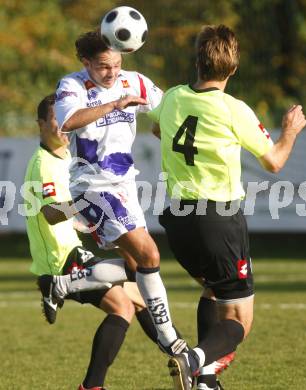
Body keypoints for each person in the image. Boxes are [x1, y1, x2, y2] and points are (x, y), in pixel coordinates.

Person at [148, 24, 306, 390]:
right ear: (233, 68)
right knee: (238, 320)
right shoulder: (234, 109)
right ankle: (194, 360)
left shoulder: (172, 97)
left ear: (198, 61)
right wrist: (291, 130)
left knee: (213, 291)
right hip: (217, 219)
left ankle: (205, 382)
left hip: (178, 220)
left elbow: (158, 129)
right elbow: (274, 162)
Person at [53, 29, 188, 356]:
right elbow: (68, 121)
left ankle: (68, 282)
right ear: (85, 63)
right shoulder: (71, 86)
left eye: (116, 64)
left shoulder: (135, 81)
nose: (112, 72)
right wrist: (115, 104)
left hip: (125, 184)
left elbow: (167, 109)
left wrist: (162, 124)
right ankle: (170, 338)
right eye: (102, 67)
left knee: (134, 266)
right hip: (92, 185)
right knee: (150, 255)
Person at [24, 94, 162, 390]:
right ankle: (94, 384)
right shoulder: (44, 164)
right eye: (55, 120)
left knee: (139, 293)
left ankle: (178, 355)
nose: (62, 126)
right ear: (40, 125)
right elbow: (50, 213)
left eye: (66, 119)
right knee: (125, 304)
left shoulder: (69, 158)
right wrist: (88, 202)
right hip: (59, 259)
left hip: (73, 249)